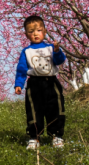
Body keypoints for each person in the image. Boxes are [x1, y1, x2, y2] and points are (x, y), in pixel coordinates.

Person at [13, 14, 67, 150]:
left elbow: (59, 60)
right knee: (34, 110)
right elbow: (21, 69)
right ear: (26, 35)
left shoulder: (50, 48)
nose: (35, 34)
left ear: (44, 31)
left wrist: (57, 50)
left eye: (38, 30)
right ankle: (34, 137)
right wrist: (19, 84)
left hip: (51, 82)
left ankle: (56, 136)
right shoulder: (26, 51)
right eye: (31, 31)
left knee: (55, 108)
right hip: (34, 84)